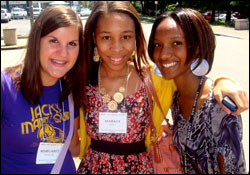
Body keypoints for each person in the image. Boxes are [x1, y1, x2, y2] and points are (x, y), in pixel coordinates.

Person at [76, 2, 249, 174]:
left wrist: (223, 81)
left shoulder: (154, 79)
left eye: (126, 37)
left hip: (139, 169)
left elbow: (192, 80)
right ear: (93, 37)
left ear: (136, 37)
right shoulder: (81, 79)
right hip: (92, 168)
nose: (117, 47)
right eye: (106, 37)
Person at [148, 8, 247, 173]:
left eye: (176, 43)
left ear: (197, 48)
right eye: (158, 45)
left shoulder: (218, 106)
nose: (163, 54)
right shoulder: (177, 96)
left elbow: (232, 168)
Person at [1, 6, 87, 174]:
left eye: (72, 44)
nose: (63, 53)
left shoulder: (70, 90)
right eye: (53, 41)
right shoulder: (5, 87)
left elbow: (75, 148)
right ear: (37, 41)